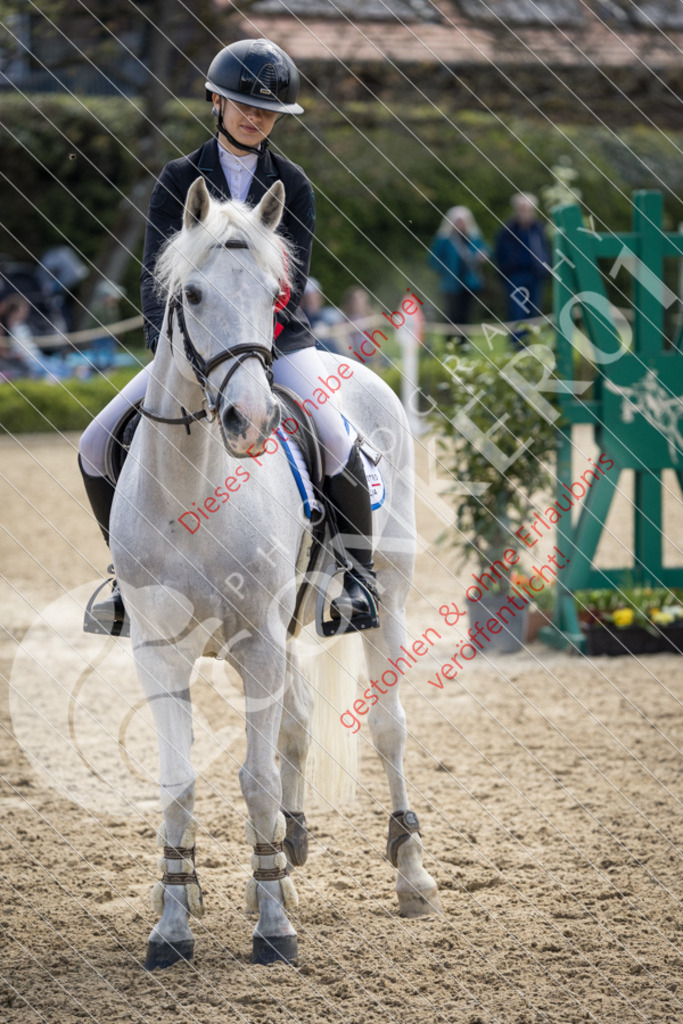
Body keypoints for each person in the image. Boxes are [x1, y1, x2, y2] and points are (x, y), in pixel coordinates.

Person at [78, 38, 379, 635]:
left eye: (267, 110)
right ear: (215, 100)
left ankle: (357, 577)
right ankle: (124, 577)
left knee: (337, 441)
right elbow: (156, 280)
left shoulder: (291, 184)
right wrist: (183, 354)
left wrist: (252, 349)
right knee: (94, 442)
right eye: (243, 103)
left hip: (277, 345)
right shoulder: (178, 180)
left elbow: (288, 283)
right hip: (188, 349)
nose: (254, 116)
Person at [493, 192, 551, 346]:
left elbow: (546, 250)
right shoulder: (507, 230)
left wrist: (545, 268)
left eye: (528, 209)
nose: (524, 212)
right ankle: (516, 346)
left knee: (533, 313)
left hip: (535, 276)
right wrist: (506, 270)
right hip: (515, 276)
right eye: (521, 208)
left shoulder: (540, 229)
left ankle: (531, 345)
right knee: (517, 312)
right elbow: (499, 254)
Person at [428, 206, 488, 343]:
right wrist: (445, 269)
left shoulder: (473, 238)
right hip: (451, 284)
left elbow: (484, 250)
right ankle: (450, 343)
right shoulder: (444, 240)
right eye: (457, 221)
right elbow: (433, 260)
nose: (460, 224)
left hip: (469, 283)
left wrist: (481, 257)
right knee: (451, 314)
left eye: (462, 221)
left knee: (466, 315)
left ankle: (463, 344)